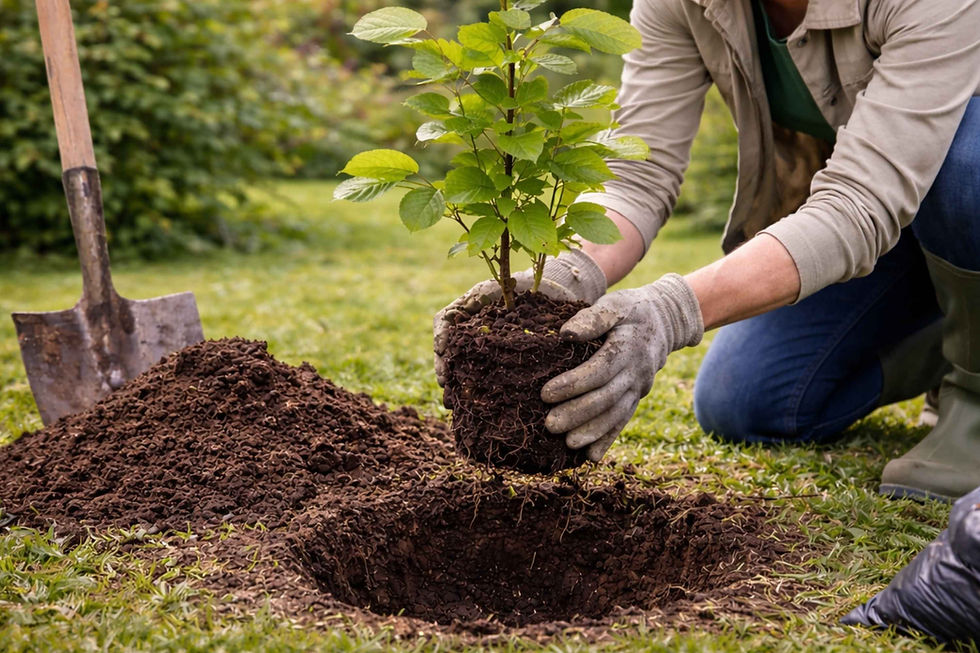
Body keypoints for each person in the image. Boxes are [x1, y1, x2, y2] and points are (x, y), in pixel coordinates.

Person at [435, 0, 980, 503]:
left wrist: (671, 310)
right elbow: (637, 173)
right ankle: (950, 331)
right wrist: (569, 269)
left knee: (969, 159)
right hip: (889, 226)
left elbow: (861, 203)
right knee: (744, 399)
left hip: (943, 197)